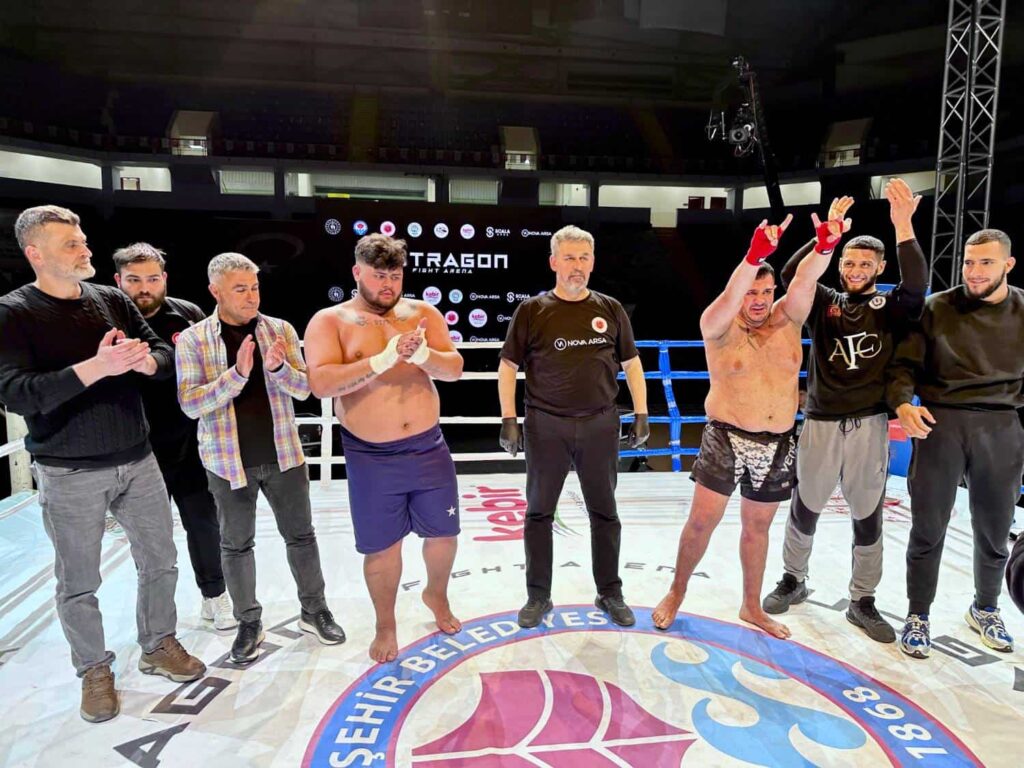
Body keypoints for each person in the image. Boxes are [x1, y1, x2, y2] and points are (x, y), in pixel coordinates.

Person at [0, 206, 205, 723]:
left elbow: (162, 353)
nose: (84, 250)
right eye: (70, 244)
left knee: (161, 560)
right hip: (68, 469)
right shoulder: (13, 312)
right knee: (79, 581)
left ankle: (158, 643)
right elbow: (16, 393)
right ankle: (94, 670)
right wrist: (97, 367)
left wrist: (146, 361)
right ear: (36, 254)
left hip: (137, 456)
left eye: (83, 240)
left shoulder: (111, 299)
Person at [652, 209, 847, 639]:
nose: (758, 300)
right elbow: (730, 294)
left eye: (766, 291)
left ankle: (751, 606)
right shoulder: (718, 325)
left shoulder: (789, 318)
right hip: (726, 436)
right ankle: (676, 591)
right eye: (751, 291)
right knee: (701, 522)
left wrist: (825, 246)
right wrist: (753, 256)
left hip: (778, 442)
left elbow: (805, 280)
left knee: (757, 528)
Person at [761, 179, 927, 643]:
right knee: (805, 505)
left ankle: (862, 599)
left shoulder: (889, 306)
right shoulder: (824, 301)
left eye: (864, 264)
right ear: (839, 264)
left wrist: (903, 226)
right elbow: (793, 276)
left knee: (867, 513)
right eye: (849, 262)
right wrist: (826, 238)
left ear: (880, 267)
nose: (855, 270)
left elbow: (917, 284)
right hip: (819, 421)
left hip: (869, 422)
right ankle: (793, 578)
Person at [176, 252, 344, 664]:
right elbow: (190, 404)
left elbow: (305, 389)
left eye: (254, 287)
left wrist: (279, 368)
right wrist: (235, 375)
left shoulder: (280, 329)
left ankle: (314, 611)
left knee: (302, 536)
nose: (252, 296)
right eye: (240, 289)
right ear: (215, 291)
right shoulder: (194, 339)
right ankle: (248, 621)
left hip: (284, 455)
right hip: (226, 461)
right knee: (235, 546)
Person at [305, 234, 464, 663]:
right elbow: (320, 383)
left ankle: (436, 595)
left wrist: (423, 355)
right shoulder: (331, 320)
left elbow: (454, 369)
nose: (388, 285)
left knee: (444, 535)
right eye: (378, 276)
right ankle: (385, 624)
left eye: (394, 276)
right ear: (357, 272)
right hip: (371, 455)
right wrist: (381, 360)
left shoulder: (423, 314)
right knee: (382, 547)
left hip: (428, 446)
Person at [497, 225, 649, 630]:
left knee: (605, 512)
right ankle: (538, 595)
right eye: (569, 258)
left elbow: (632, 363)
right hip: (545, 425)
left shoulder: (610, 309)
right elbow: (508, 366)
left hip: (600, 424)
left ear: (592, 262)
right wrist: (509, 419)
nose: (576, 266)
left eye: (583, 258)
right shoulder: (532, 310)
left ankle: (610, 592)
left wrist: (642, 413)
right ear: (553, 262)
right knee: (538, 513)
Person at [888, 228, 1023, 658]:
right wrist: (902, 404)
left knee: (995, 529)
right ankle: (918, 614)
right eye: (969, 262)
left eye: (986, 262)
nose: (974, 271)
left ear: (1008, 265)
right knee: (927, 526)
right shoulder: (937, 307)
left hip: (1001, 425)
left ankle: (986, 608)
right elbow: (903, 366)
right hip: (940, 422)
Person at [113, 242, 234, 631]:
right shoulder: (105, 320)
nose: (144, 288)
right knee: (150, 539)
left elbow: (213, 372)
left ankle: (215, 595)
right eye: (134, 280)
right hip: (133, 447)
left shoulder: (189, 314)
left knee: (204, 522)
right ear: (118, 280)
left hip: (188, 441)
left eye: (152, 279)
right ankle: (157, 618)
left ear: (164, 278)